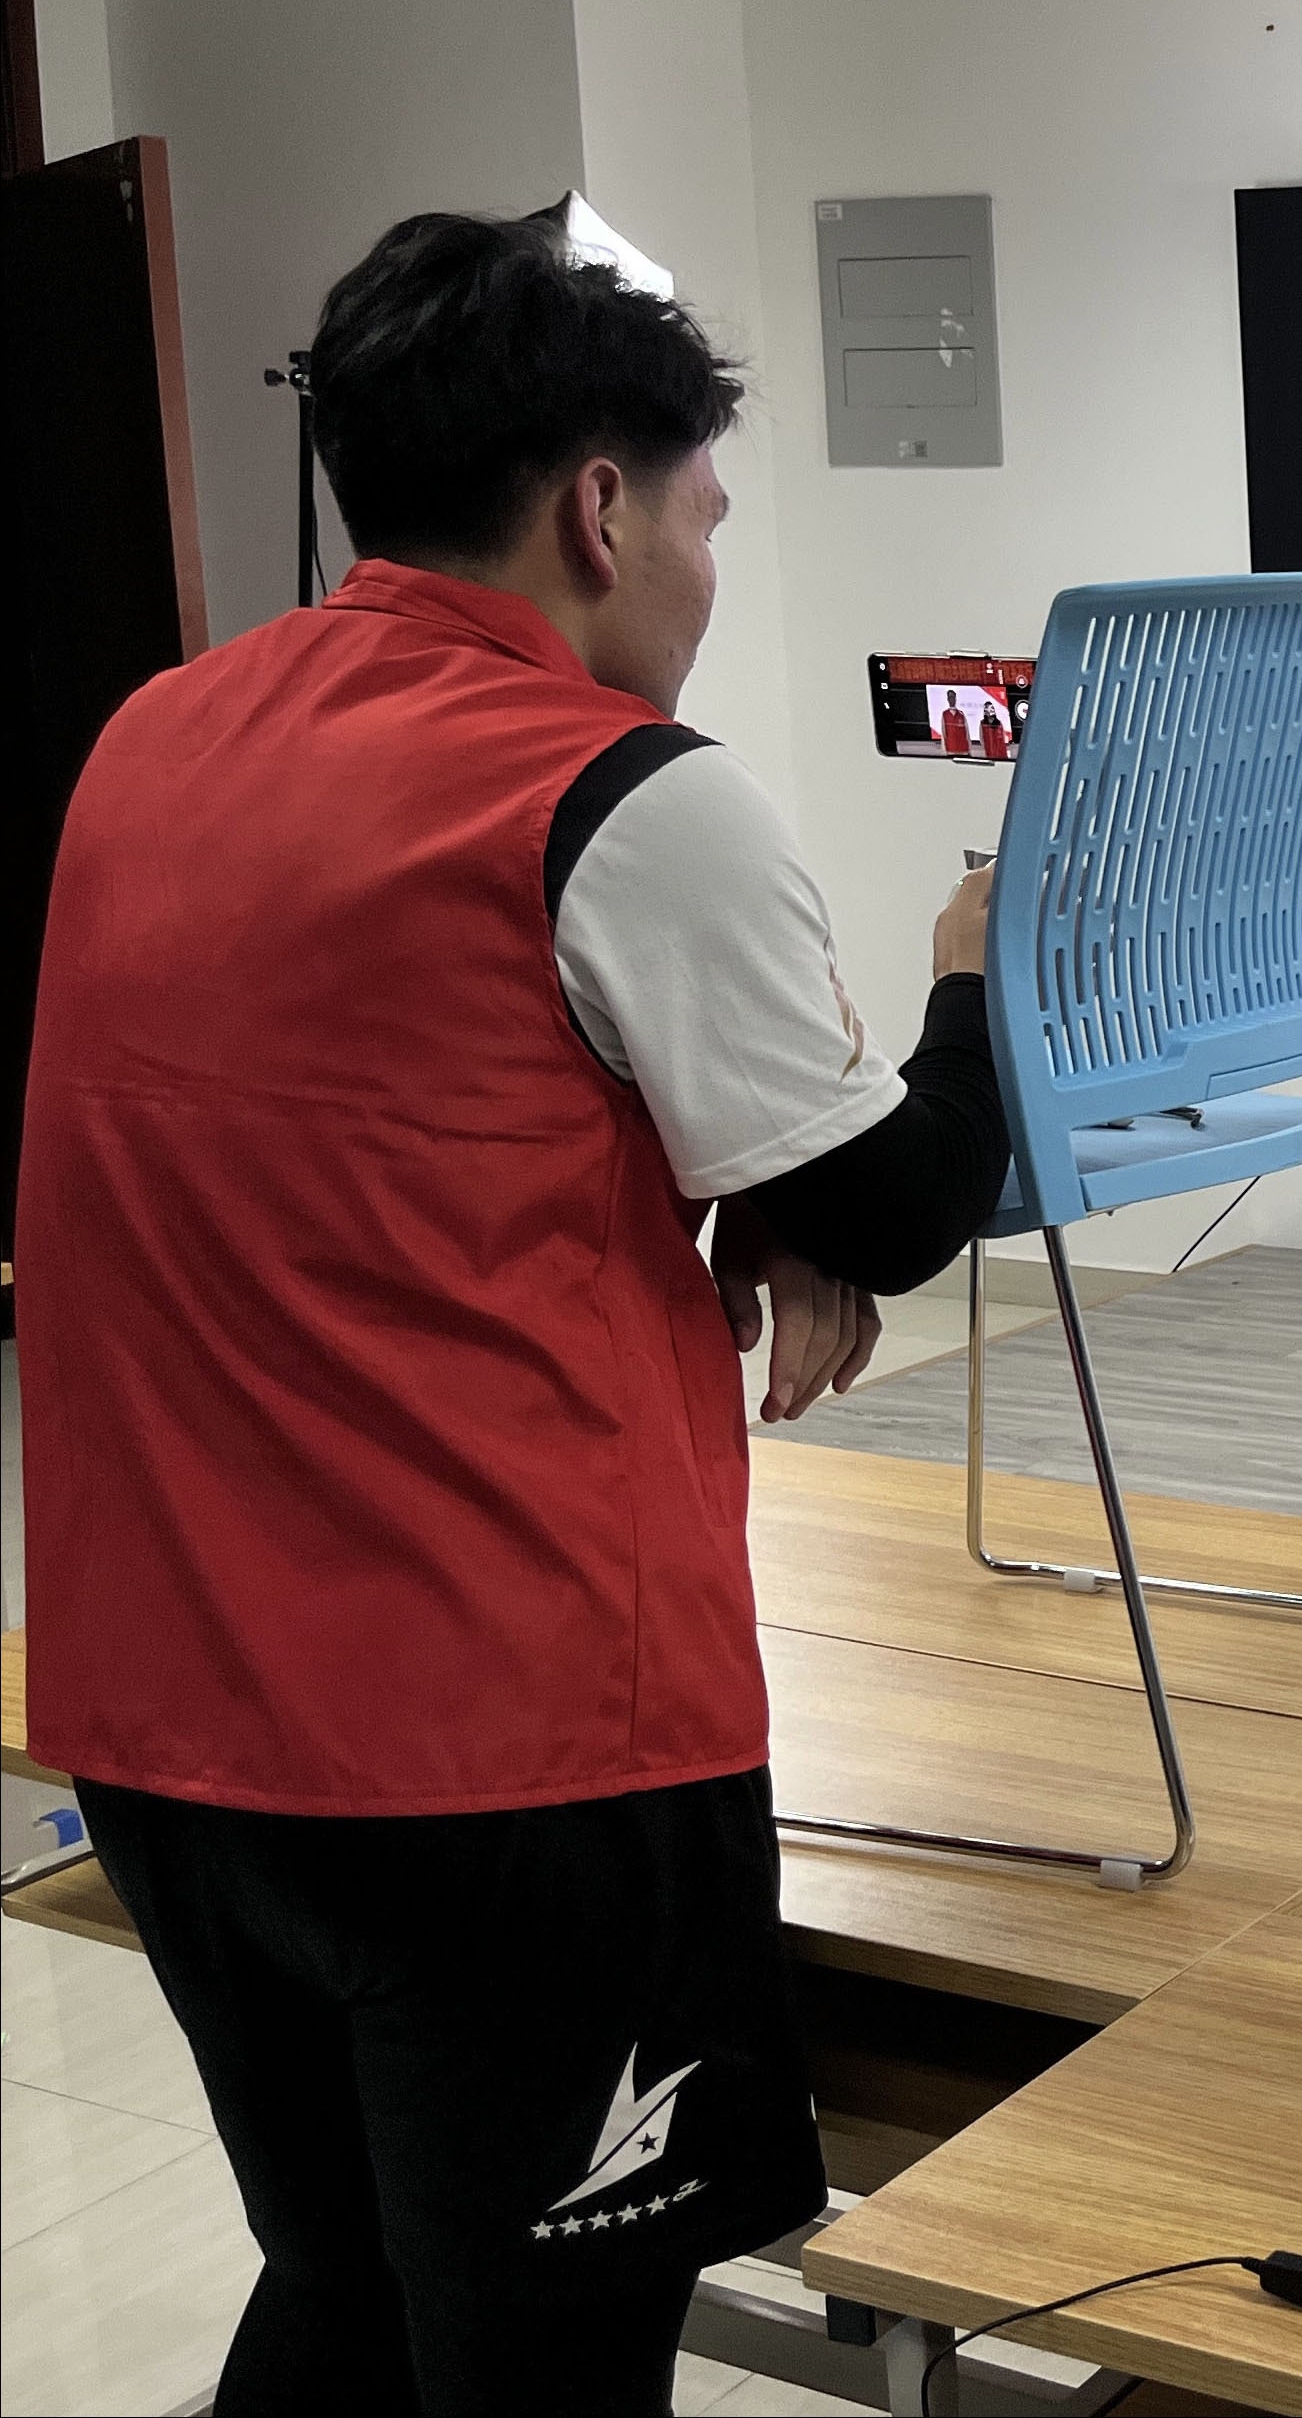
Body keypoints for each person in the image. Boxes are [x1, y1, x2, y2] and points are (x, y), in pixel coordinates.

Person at [17, 210, 1012, 2418]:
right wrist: (971, 973)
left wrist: (734, 1181)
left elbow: (364, 1139)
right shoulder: (617, 793)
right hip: (509, 1767)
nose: (706, 568)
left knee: (349, 2291)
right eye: (706, 517)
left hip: (168, 1744)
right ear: (598, 506)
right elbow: (905, 1197)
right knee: (544, 2361)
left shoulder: (151, 742)